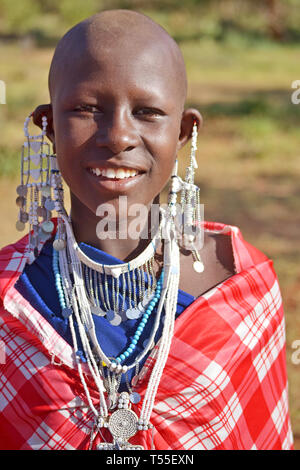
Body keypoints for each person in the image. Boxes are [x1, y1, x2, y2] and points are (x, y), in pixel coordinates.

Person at [0, 9, 293, 450]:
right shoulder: (12, 300)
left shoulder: (239, 286)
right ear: (49, 126)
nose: (118, 136)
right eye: (86, 109)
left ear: (183, 132)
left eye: (147, 112)